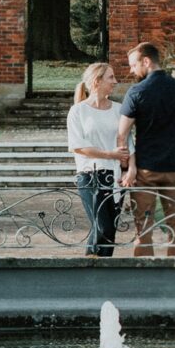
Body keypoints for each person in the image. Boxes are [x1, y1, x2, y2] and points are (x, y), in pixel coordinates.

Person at [117, 42, 175, 258]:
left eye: (133, 65)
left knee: (143, 229)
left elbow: (122, 135)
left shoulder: (137, 92)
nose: (132, 70)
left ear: (146, 61)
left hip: (145, 170)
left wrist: (125, 168)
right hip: (174, 168)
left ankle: (143, 279)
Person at [67, 62, 132, 257]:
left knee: (110, 231)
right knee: (102, 227)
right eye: (111, 77)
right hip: (90, 176)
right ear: (97, 81)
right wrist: (110, 154)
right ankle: (89, 271)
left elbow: (129, 142)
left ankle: (101, 275)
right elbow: (78, 146)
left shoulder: (119, 110)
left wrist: (130, 170)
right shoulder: (78, 111)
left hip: (116, 177)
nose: (115, 81)